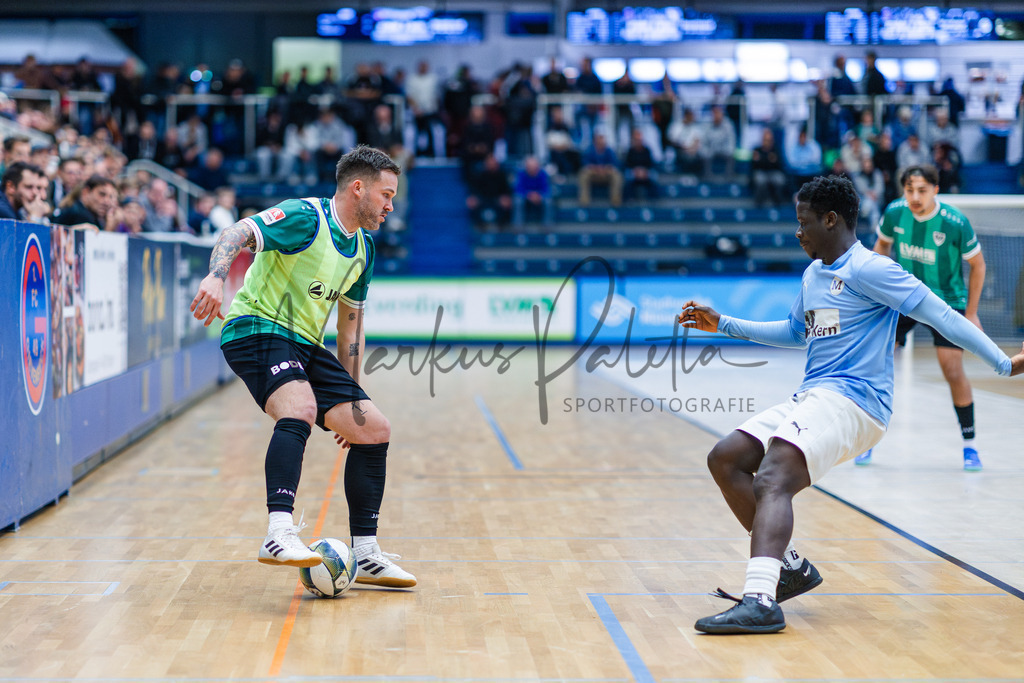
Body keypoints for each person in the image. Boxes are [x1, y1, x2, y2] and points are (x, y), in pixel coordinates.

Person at [676, 175, 1024, 634]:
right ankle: (791, 567)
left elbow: (940, 313)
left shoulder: (872, 269)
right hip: (816, 394)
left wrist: (1002, 363)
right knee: (725, 458)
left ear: (831, 219)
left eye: (803, 223)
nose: (797, 232)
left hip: (857, 401)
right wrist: (724, 324)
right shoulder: (813, 273)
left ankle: (761, 600)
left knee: (773, 476)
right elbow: (794, 332)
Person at [189, 145, 416, 587]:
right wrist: (217, 276)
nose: (390, 205)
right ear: (358, 188)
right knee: (299, 408)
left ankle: (366, 554)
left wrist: (352, 403)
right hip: (256, 327)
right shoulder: (305, 217)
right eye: (386, 195)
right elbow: (236, 232)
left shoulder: (364, 249)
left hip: (305, 344)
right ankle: (279, 533)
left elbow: (351, 331)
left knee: (374, 429)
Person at [858, 165, 987, 470]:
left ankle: (970, 446)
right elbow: (881, 248)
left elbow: (978, 266)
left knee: (952, 368)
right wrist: (875, 291)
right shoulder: (894, 213)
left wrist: (971, 313)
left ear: (935, 190)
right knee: (876, 363)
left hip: (946, 301)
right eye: (909, 190)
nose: (915, 196)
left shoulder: (956, 222)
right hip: (903, 297)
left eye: (922, 190)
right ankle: (865, 441)